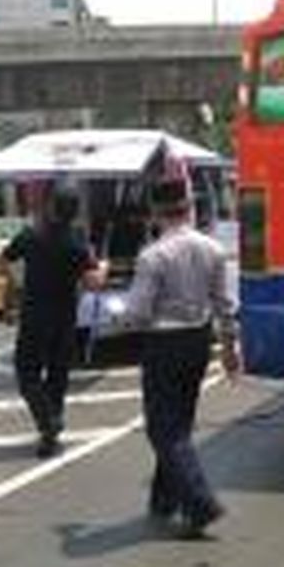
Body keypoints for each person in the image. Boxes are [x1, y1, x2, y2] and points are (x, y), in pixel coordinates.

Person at [119, 178, 240, 538]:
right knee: (179, 423)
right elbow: (224, 304)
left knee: (162, 428)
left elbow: (138, 313)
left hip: (163, 343)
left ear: (156, 213)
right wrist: (230, 349)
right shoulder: (212, 249)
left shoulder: (152, 256)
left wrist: (117, 316)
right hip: (198, 342)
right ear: (189, 208)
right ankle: (163, 499)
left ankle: (200, 503)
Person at [0, 182, 102, 458]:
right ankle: (50, 428)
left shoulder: (30, 236)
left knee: (26, 373)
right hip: (65, 317)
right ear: (75, 212)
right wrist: (101, 267)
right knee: (58, 374)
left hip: (33, 316)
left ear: (51, 208)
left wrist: (11, 290)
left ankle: (48, 425)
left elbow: (3, 260)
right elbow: (93, 283)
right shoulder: (78, 242)